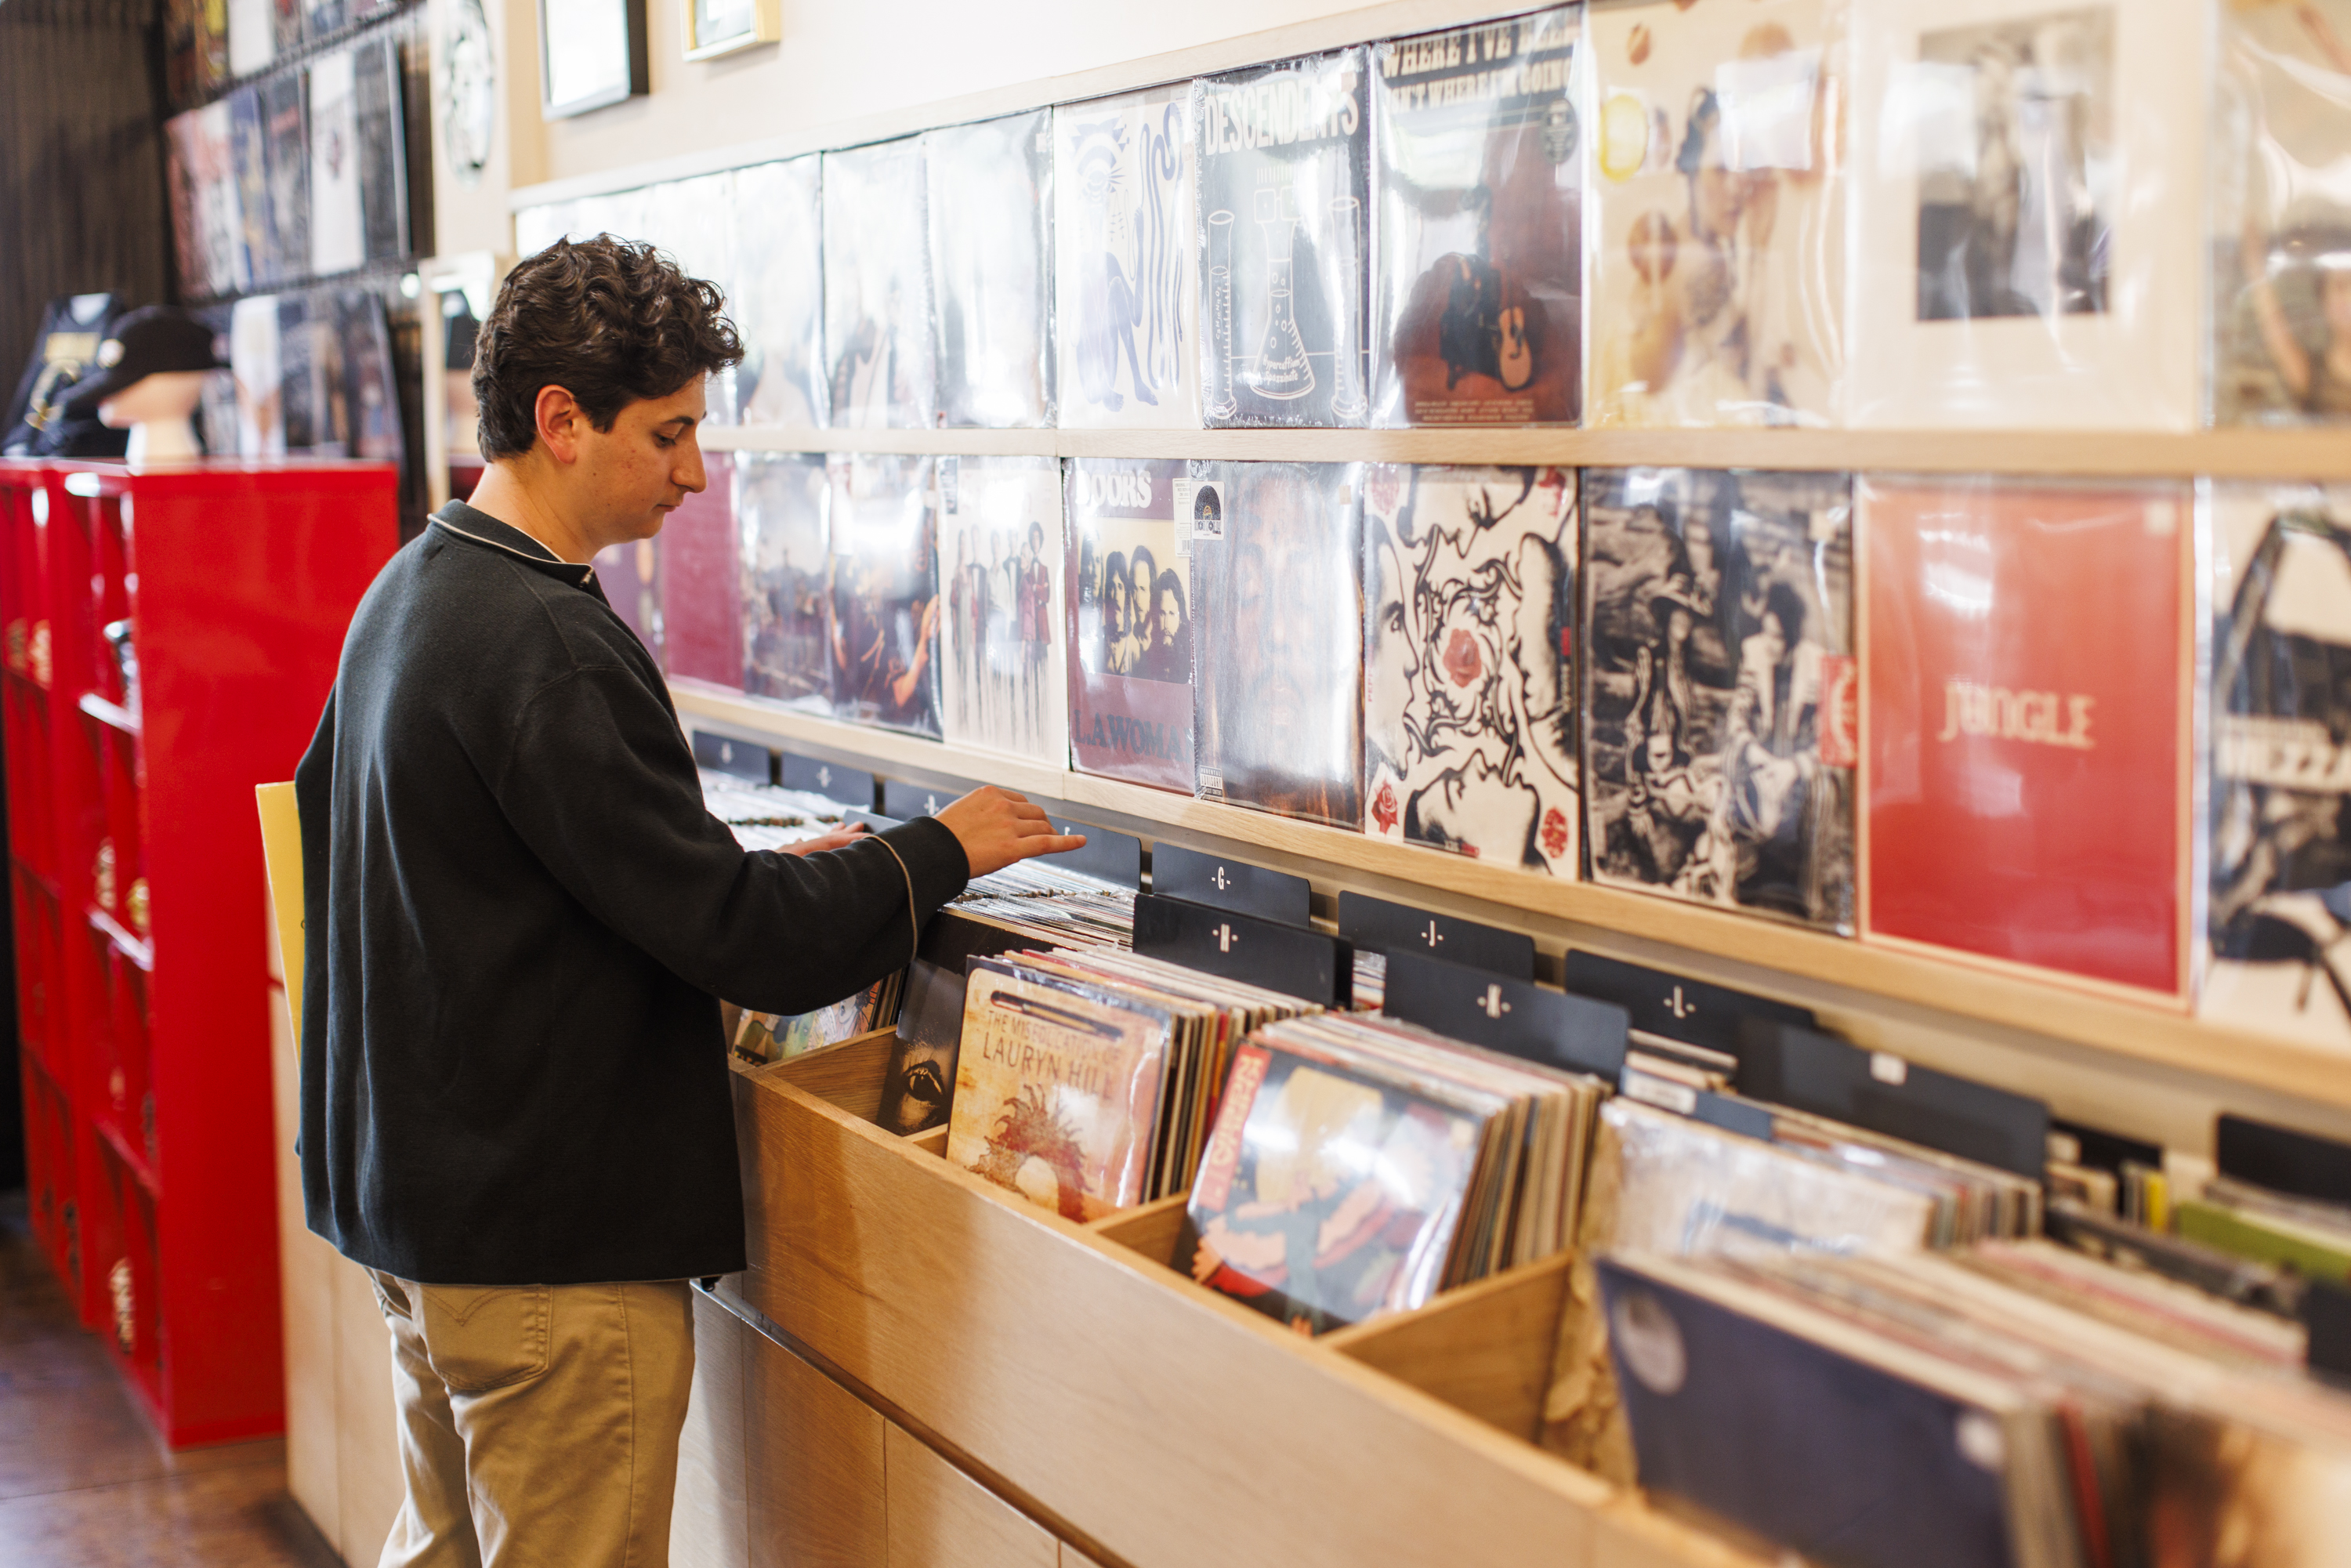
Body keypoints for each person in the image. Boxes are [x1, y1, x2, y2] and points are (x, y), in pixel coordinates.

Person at [292, 236, 1081, 1568]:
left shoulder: (412, 589)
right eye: (668, 433)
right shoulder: (543, 641)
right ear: (560, 420)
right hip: (549, 1258)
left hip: (422, 1225)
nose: (694, 474)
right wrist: (933, 851)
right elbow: (742, 937)